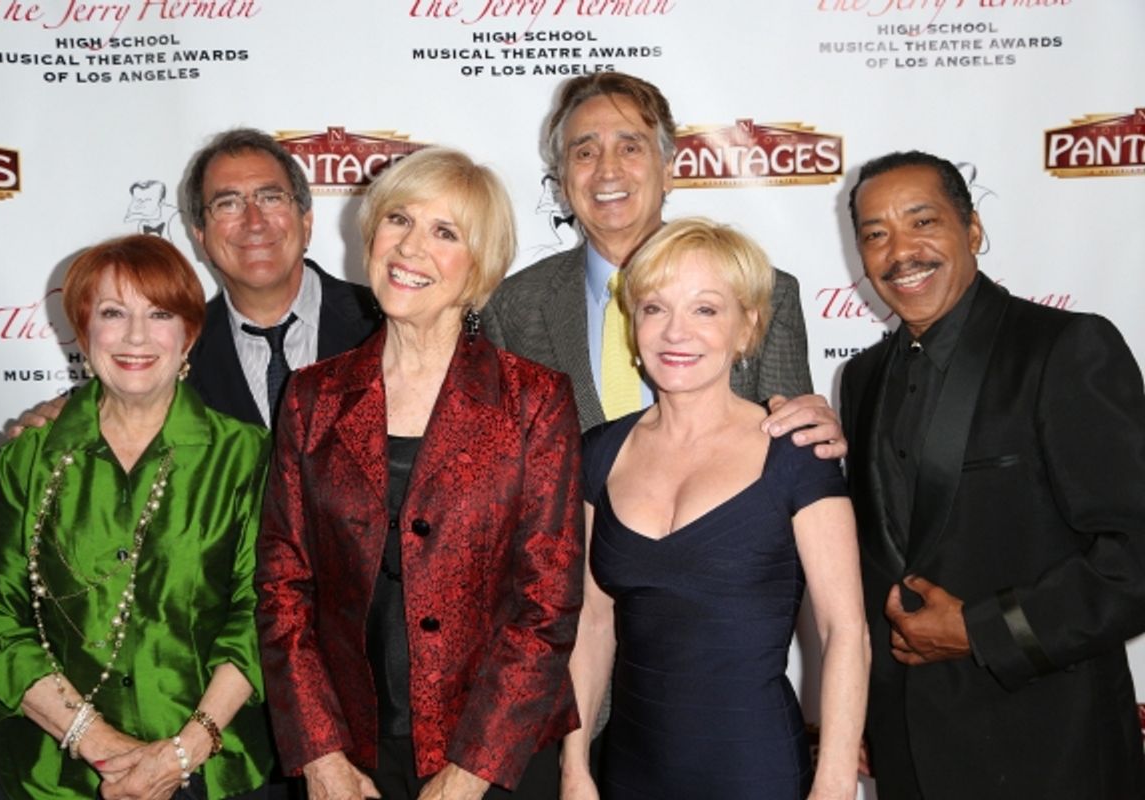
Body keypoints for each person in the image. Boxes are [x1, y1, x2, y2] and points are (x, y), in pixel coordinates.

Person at [254, 147, 584, 800]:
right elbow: (283, 588)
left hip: (498, 760)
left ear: (479, 266)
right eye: (398, 219)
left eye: (445, 232)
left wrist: (470, 771)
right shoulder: (312, 397)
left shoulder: (533, 400)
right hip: (351, 758)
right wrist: (319, 753)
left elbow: (545, 608)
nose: (411, 248)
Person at [840, 150, 1145, 799]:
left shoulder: (1064, 350)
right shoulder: (861, 379)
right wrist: (862, 712)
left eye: (923, 222)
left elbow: (1137, 556)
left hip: (1048, 750)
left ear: (972, 229)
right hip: (908, 754)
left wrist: (984, 630)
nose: (900, 251)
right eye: (876, 234)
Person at [561, 218, 868, 799]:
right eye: (655, 308)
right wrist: (575, 766)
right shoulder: (599, 452)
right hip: (630, 770)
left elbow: (844, 630)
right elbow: (593, 623)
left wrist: (833, 782)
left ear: (747, 326)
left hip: (756, 772)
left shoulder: (798, 453)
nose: (676, 332)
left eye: (705, 310)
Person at [0, 235, 273, 800]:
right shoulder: (28, 460)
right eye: (112, 313)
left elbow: (263, 614)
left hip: (213, 771)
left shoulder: (248, 454)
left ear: (189, 335)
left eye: (159, 314)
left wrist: (184, 751)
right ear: (84, 332)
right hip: (53, 778)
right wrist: (104, 747)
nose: (135, 336)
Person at [482, 72, 843, 455]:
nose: (607, 170)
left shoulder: (764, 292)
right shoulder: (511, 307)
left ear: (668, 169)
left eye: (630, 148)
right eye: (584, 153)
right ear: (562, 181)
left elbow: (799, 451)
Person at [11, 127, 380, 434]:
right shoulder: (170, 350)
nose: (254, 221)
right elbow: (116, 407)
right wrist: (59, 420)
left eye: (270, 197)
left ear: (306, 220)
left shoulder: (386, 323)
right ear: (200, 236)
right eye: (227, 204)